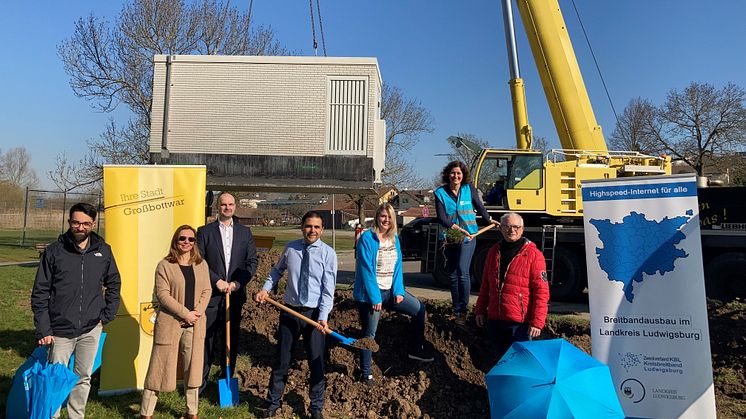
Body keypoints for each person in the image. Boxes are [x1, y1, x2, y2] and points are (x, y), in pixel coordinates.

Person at [31, 202, 121, 419]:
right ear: (69, 222)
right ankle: (51, 415)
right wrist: (44, 329)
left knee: (83, 377)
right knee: (56, 378)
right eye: (76, 222)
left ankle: (76, 416)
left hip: (91, 328)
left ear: (93, 224)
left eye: (86, 223)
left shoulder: (104, 251)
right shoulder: (54, 252)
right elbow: (40, 292)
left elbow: (114, 283)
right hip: (59, 329)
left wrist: (106, 315)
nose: (80, 228)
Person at [255, 211, 337, 419]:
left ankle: (316, 408)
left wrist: (323, 316)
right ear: (302, 227)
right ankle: (272, 403)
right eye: (309, 226)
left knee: (316, 363)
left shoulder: (328, 254)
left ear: (322, 230)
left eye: (317, 227)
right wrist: (266, 289)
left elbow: (329, 290)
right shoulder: (291, 248)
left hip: (314, 315)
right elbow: (276, 271)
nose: (312, 230)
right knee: (282, 360)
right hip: (290, 312)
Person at [354, 203, 433, 386]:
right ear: (377, 217)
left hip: (390, 291)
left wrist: (398, 291)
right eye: (382, 216)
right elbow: (366, 270)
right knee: (369, 334)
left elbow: (397, 268)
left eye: (389, 217)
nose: (386, 220)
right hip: (370, 296)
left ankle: (416, 348)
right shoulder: (367, 238)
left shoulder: (394, 239)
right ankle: (366, 373)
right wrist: (374, 298)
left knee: (419, 309)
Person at [140, 226, 212, 419]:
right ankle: (146, 413)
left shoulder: (201, 264)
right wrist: (184, 313)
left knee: (193, 368)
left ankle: (192, 412)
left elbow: (207, 290)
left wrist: (196, 312)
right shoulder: (165, 265)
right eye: (182, 238)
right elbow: (162, 295)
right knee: (158, 367)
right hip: (170, 323)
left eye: (191, 239)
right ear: (175, 240)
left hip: (195, 324)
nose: (186, 242)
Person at [196, 192, 258, 394]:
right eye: (223, 204)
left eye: (231, 204)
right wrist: (217, 281)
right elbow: (200, 261)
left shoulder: (245, 232)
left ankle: (226, 380)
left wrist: (238, 283)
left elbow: (251, 262)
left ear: (235, 207)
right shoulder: (204, 232)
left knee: (231, 339)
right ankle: (201, 384)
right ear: (217, 207)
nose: (227, 208)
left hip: (235, 295)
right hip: (211, 295)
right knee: (207, 338)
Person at [474, 212, 550, 361]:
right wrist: (480, 310)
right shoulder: (493, 252)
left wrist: (537, 322)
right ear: (500, 229)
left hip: (520, 324)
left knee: (522, 364)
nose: (512, 230)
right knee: (499, 362)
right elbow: (486, 285)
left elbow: (541, 292)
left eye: (516, 227)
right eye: (507, 226)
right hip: (496, 320)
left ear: (522, 229)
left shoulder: (534, 255)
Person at [434, 161, 499, 324]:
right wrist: (455, 227)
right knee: (453, 275)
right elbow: (441, 218)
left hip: (468, 236)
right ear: (447, 174)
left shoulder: (468, 189)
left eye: (459, 173)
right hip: (449, 237)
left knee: (463, 272)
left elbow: (479, 206)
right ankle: (457, 310)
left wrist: (489, 219)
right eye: (453, 173)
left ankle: (464, 309)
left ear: (463, 176)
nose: (455, 176)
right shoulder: (440, 193)